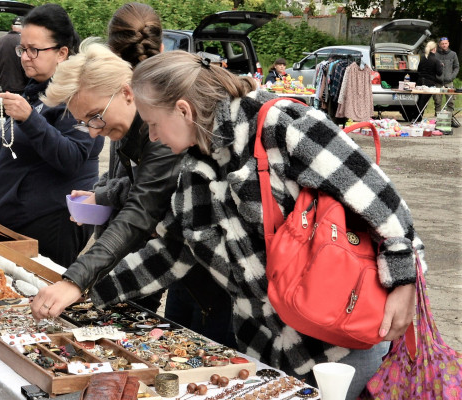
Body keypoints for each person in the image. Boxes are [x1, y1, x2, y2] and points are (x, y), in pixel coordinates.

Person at [47, 51, 423, 400]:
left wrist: (404, 282)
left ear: (183, 109)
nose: (155, 137)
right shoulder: (195, 168)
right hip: (268, 346)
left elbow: (383, 203)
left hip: (341, 337)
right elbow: (171, 252)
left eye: (154, 125)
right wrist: (86, 294)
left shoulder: (281, 124)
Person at [34, 4, 182, 317]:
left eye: (95, 118)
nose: (92, 133)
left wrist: (76, 279)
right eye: (84, 123)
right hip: (164, 258)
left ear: (128, 93)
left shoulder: (163, 129)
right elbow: (136, 190)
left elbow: (140, 211)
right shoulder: (125, 119)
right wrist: (101, 195)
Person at [0, 4, 104, 268]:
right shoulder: (35, 89)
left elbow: (72, 157)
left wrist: (29, 118)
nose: (25, 57)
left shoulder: (80, 97)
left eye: (34, 50)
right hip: (14, 224)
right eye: (22, 49)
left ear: (61, 53)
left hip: (49, 226)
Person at [0, 16, 28, 94]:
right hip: (22, 87)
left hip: (5, 86)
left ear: (12, 26)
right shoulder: (24, 41)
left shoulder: (1, 40)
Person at [435, 36, 460, 127]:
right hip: (438, 82)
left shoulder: (453, 54)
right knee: (437, 101)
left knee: (450, 102)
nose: (444, 45)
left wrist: (452, 76)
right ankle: (439, 121)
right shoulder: (435, 54)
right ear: (439, 45)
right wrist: (436, 76)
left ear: (448, 43)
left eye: (446, 43)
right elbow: (432, 67)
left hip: (449, 82)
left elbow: (457, 67)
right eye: (442, 44)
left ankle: (449, 121)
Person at [417, 41, 443, 116]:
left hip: (419, 82)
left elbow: (418, 70)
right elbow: (439, 73)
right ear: (434, 49)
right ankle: (418, 118)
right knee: (423, 102)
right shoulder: (436, 60)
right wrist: (441, 66)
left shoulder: (422, 58)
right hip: (429, 83)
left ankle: (415, 117)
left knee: (419, 101)